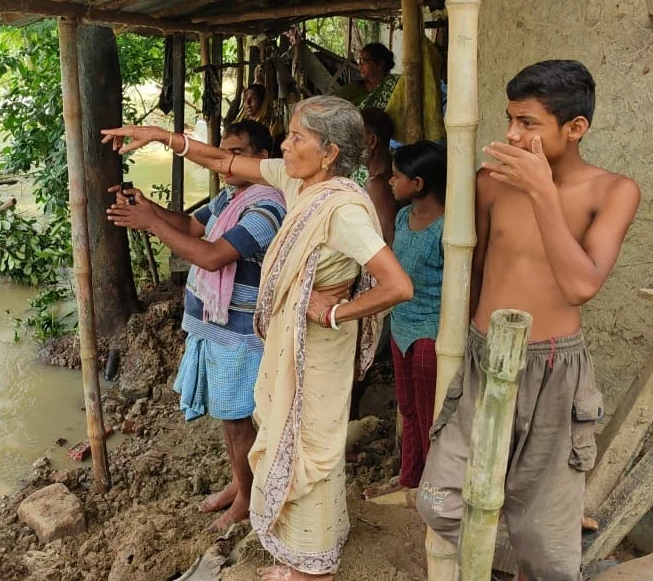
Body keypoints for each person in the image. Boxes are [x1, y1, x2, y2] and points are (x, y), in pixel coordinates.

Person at [102, 96, 413, 581]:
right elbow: (225, 161)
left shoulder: (343, 209)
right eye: (287, 135)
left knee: (310, 451)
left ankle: (313, 570)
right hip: (288, 345)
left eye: (296, 138)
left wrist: (333, 313)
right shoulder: (299, 181)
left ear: (329, 152)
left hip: (318, 350)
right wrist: (162, 137)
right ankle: (301, 556)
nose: (284, 146)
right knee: (285, 443)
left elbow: (398, 286)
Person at [415, 60, 641, 581]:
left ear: (575, 128)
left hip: (555, 369)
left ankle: (544, 545)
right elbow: (472, 269)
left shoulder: (614, 191)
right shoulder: (491, 182)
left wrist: (542, 190)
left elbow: (581, 285)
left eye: (528, 123)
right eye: (510, 119)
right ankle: (525, 549)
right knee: (439, 502)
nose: (512, 134)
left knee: (547, 545)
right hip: (483, 359)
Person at [106, 120, 286, 531]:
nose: (226, 163)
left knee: (240, 422)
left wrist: (150, 224)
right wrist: (145, 206)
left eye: (236, 153)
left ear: (263, 160)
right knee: (231, 420)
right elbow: (189, 227)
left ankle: (246, 499)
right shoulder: (230, 197)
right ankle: (240, 484)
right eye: (223, 153)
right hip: (219, 328)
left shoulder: (268, 207)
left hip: (243, 333)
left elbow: (211, 257)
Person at [386, 141, 446, 492]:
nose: (391, 182)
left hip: (429, 333)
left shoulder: (446, 228)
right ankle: (410, 482)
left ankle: (433, 491)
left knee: (429, 415)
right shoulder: (402, 217)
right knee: (408, 409)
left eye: (397, 176)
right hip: (401, 325)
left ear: (419, 183)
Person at [357, 108, 399, 245]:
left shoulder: (377, 185)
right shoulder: (393, 170)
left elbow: (390, 240)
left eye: (355, 137)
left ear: (371, 141)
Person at [343, 42, 400, 112]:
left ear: (380, 64)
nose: (360, 65)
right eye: (359, 61)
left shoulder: (396, 85)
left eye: (364, 61)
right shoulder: (354, 87)